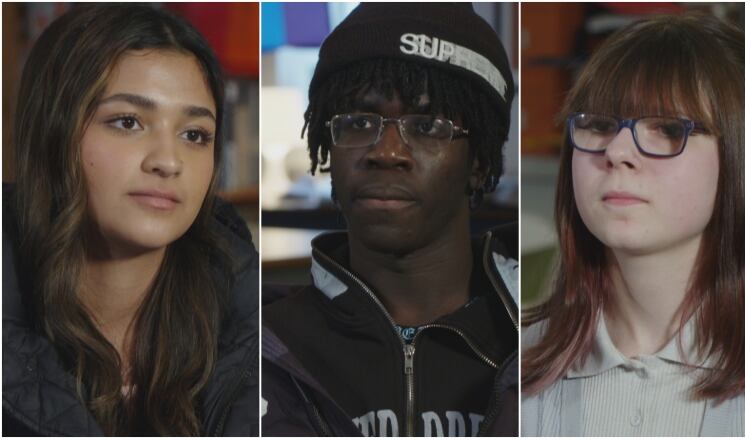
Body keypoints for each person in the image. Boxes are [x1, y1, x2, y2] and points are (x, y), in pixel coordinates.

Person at [262, 3, 518, 436]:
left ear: (477, 161)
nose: (387, 152)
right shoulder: (264, 347)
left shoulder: (536, 342)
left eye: (427, 125)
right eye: (359, 121)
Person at [3, 4, 258, 436]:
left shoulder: (254, 332)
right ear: (53, 133)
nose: (168, 161)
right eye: (127, 122)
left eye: (194, 134)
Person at [521, 13, 745, 437]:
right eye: (599, 125)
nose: (618, 150)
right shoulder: (513, 367)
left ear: (739, 156)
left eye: (666, 128)